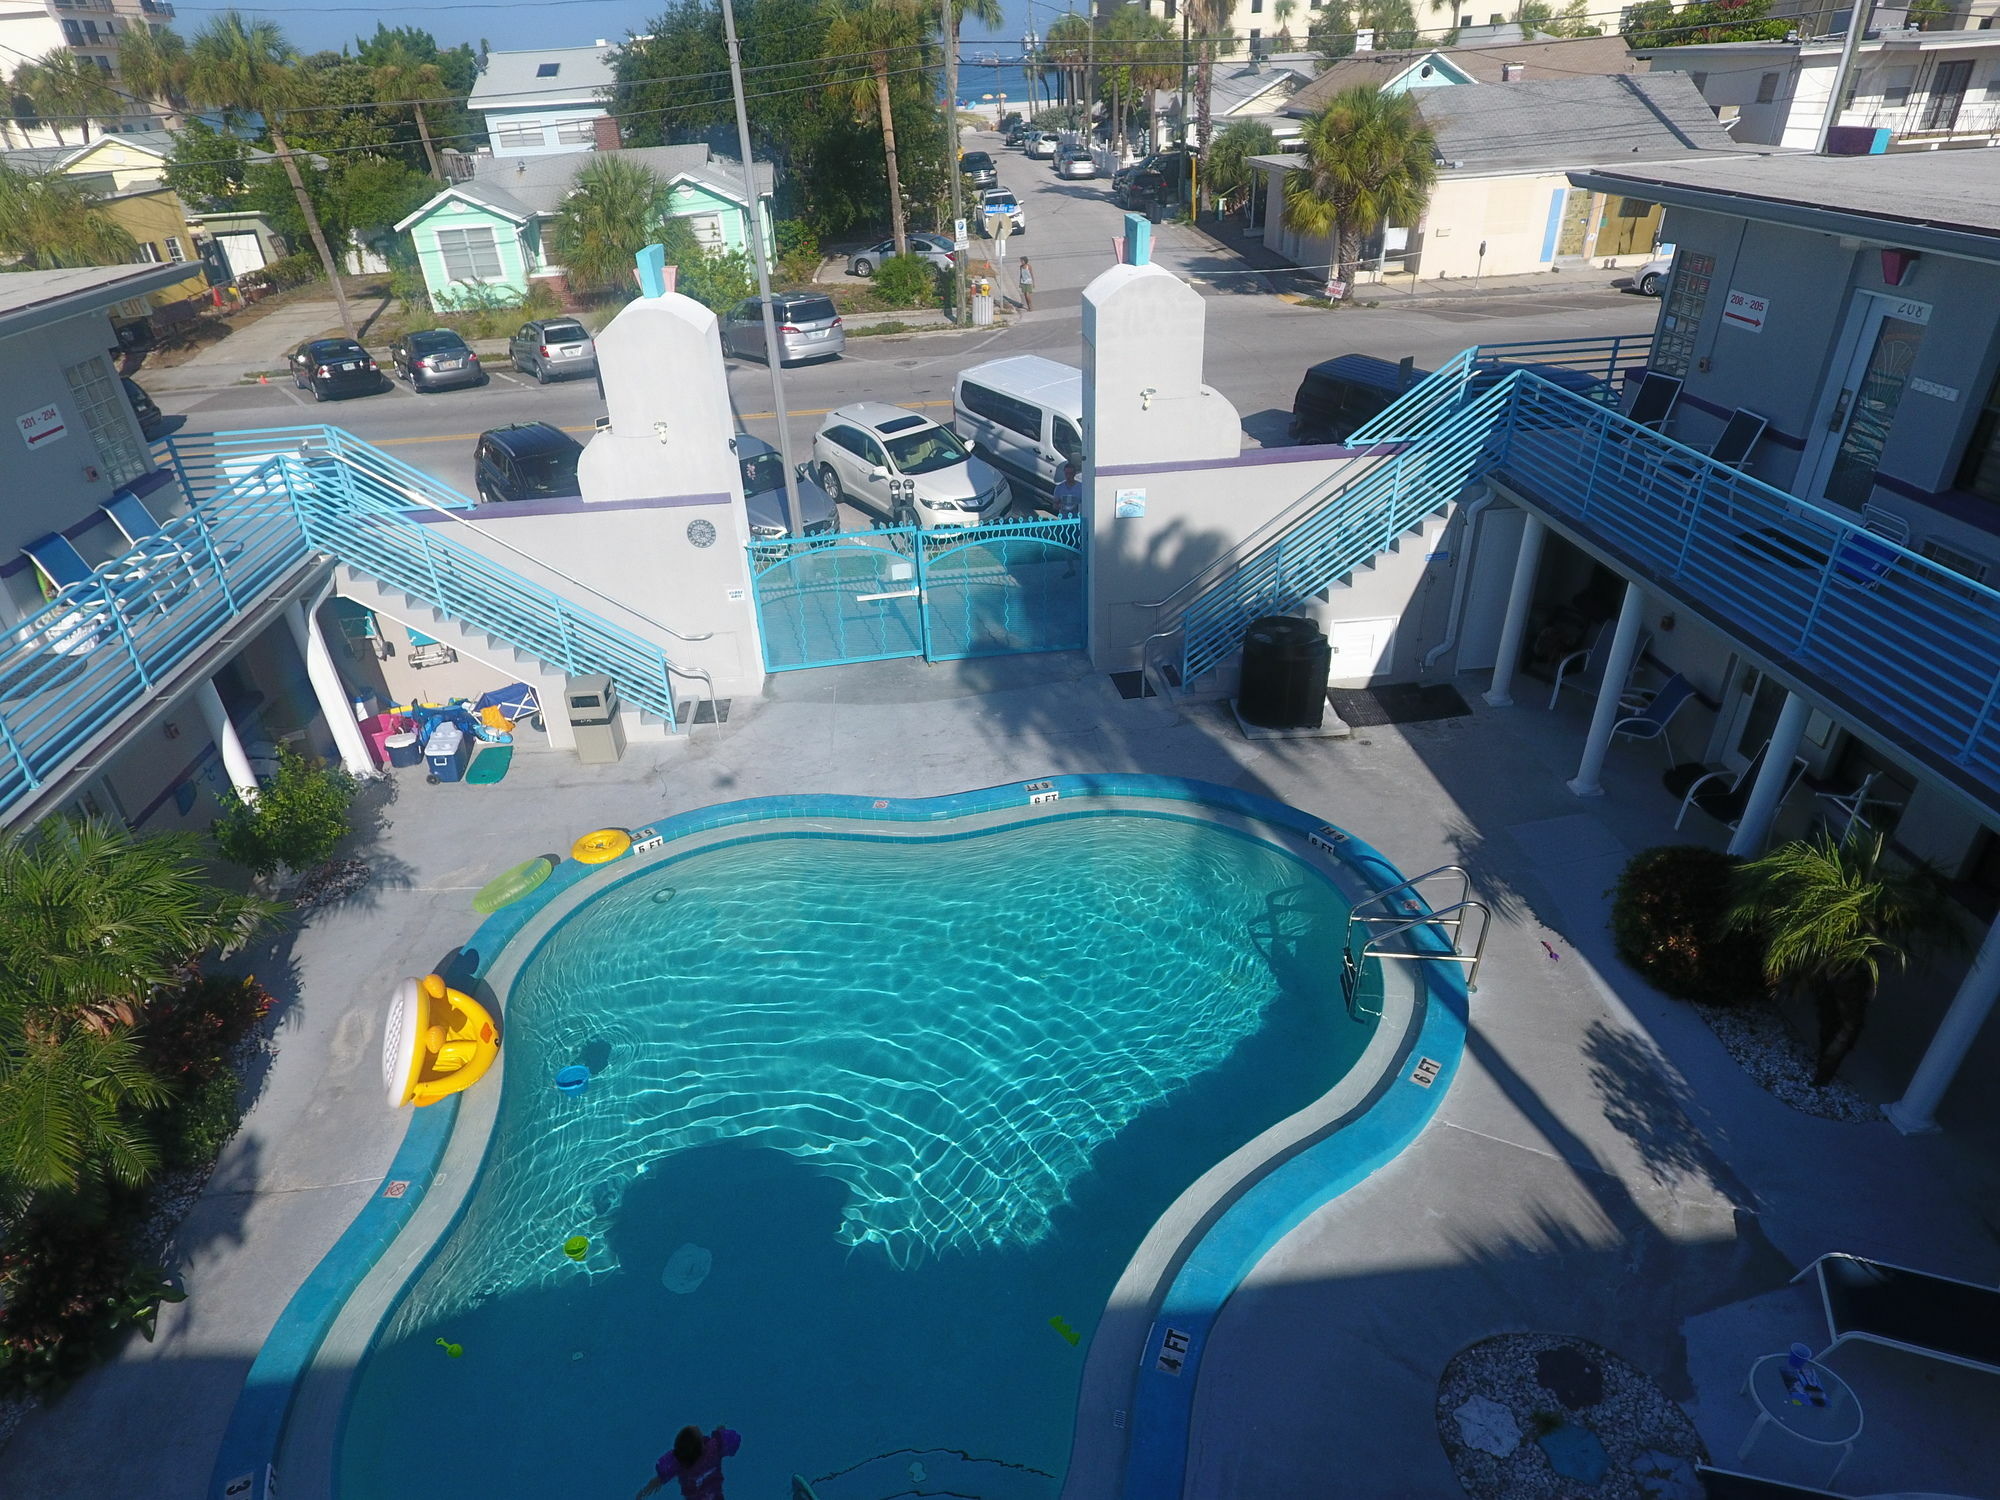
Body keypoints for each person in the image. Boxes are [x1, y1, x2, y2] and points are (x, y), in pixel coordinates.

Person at [637, 1424, 741, 1500]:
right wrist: (721, 1431)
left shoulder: (678, 1463)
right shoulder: (713, 1449)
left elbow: (658, 1480)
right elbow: (733, 1439)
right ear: (702, 1445)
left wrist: (644, 1491)